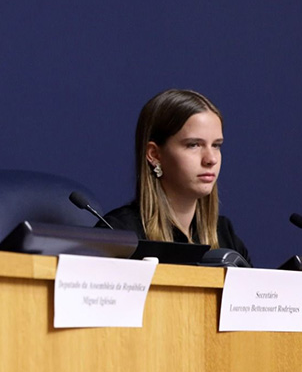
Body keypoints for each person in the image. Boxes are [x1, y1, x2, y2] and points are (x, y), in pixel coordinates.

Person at [99, 88, 251, 263]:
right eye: (194, 145)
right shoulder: (119, 235)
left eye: (216, 145)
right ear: (154, 155)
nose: (211, 159)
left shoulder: (225, 235)